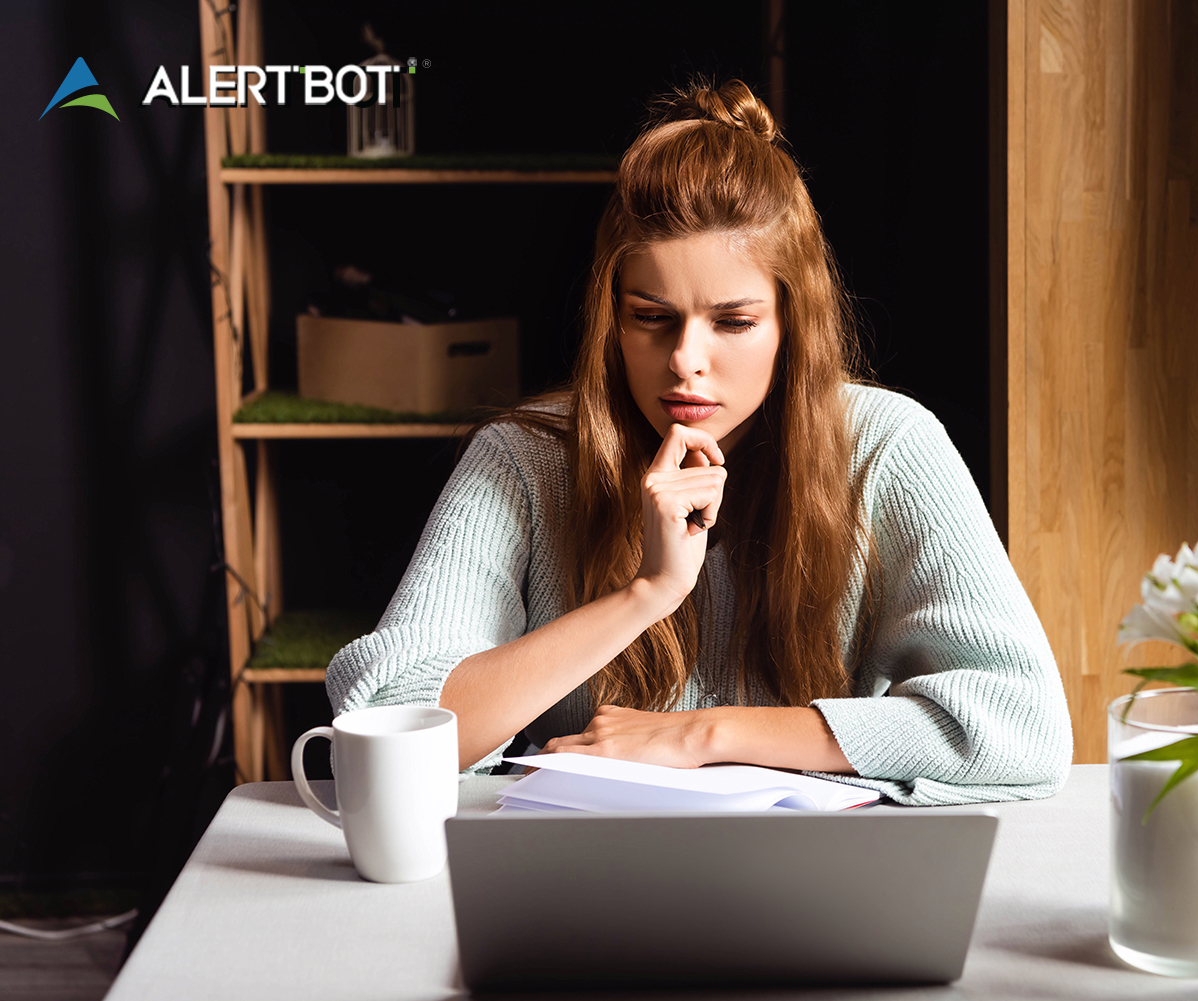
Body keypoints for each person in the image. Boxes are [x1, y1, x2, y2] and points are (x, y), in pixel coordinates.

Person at [326, 79, 1072, 805]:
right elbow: (386, 718)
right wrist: (645, 592)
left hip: (811, 883)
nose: (686, 358)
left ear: (792, 320)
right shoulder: (523, 459)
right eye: (652, 316)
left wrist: (703, 733)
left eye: (734, 322)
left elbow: (1023, 724)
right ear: (610, 315)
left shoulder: (888, 447)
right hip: (579, 882)